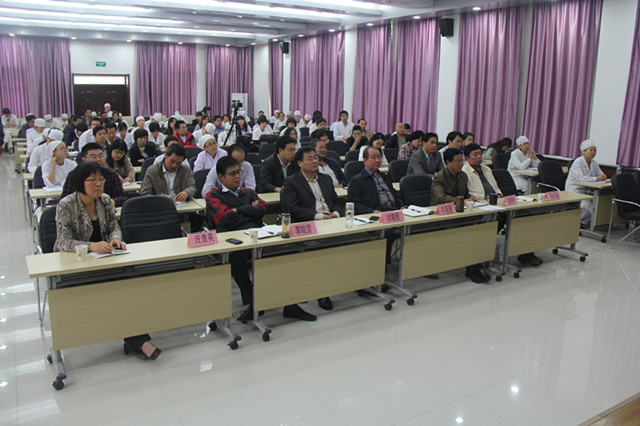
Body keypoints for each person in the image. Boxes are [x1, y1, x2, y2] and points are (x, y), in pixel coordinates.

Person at [55, 161, 161, 360]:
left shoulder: (104, 200)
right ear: (80, 182)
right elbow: (63, 241)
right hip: (78, 264)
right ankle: (137, 342)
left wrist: (115, 239)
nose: (98, 184)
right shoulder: (66, 205)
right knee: (113, 292)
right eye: (92, 180)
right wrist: (92, 246)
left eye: (101, 179)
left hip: (105, 259)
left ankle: (135, 340)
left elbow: (114, 226)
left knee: (130, 287)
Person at [206, 156, 317, 322]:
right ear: (221, 177)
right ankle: (254, 303)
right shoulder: (213, 196)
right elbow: (226, 218)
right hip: (233, 242)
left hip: (259, 237)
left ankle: (291, 305)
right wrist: (249, 210)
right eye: (232, 174)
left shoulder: (248, 192)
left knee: (287, 251)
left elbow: (262, 209)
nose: (237, 176)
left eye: (238, 172)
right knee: (236, 259)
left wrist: (239, 210)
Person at [281, 147, 341, 312]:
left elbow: (337, 201)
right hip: (310, 224)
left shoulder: (326, 179)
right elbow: (293, 208)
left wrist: (336, 213)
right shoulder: (292, 182)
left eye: (315, 158)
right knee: (319, 252)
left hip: (331, 221)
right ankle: (322, 293)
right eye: (310, 158)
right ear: (300, 163)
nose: (315, 161)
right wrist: (320, 217)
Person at [432, 148, 491, 283]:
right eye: (457, 161)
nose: (461, 164)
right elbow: (441, 198)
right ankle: (473, 267)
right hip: (443, 215)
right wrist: (461, 200)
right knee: (465, 232)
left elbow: (464, 194)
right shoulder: (439, 178)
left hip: (461, 213)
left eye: (461, 161)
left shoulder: (463, 176)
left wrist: (470, 197)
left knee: (479, 228)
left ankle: (475, 265)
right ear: (448, 162)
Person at [348, 145, 404, 265]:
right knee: (389, 231)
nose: (378, 160)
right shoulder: (357, 180)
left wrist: (402, 206)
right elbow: (355, 204)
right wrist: (372, 211)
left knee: (416, 226)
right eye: (374, 157)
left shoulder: (385, 177)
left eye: (379, 157)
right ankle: (383, 266)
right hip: (377, 214)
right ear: (365, 160)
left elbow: (395, 195)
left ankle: (412, 263)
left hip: (394, 211)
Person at [62, 143, 128, 207]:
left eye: (100, 156)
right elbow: (65, 199)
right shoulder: (74, 175)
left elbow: (122, 197)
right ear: (84, 159)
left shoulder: (111, 175)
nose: (98, 159)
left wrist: (113, 201)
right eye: (93, 157)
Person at [565, 139, 607, 227]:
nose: (593, 152)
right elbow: (580, 178)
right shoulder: (578, 162)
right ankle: (577, 224)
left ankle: (584, 223)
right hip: (574, 190)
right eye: (591, 150)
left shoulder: (594, 163)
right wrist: (596, 178)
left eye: (595, 150)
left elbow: (600, 174)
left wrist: (603, 176)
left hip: (586, 190)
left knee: (597, 205)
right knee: (588, 207)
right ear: (584, 151)